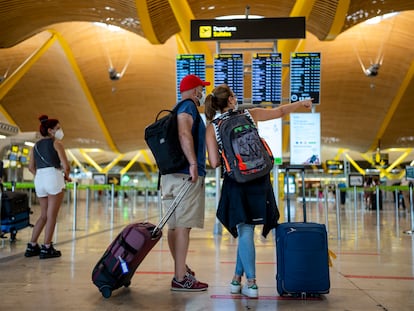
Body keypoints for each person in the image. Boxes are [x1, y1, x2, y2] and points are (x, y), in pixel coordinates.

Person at [204, 84, 312, 298]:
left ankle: (251, 283)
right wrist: (300, 103)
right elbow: (279, 111)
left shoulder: (212, 127)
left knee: (244, 231)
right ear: (232, 100)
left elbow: (215, 162)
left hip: (237, 181)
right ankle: (236, 279)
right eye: (234, 95)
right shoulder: (249, 115)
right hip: (259, 178)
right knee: (247, 231)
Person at [161, 74, 210, 291]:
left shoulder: (174, 109)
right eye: (201, 88)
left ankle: (180, 270)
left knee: (173, 227)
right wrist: (193, 164)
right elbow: (184, 132)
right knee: (183, 226)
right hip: (184, 175)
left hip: (169, 176)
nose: (202, 93)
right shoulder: (188, 107)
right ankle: (180, 278)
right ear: (192, 90)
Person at [25, 115, 71, 259]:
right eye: (58, 128)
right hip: (53, 176)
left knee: (43, 215)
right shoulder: (57, 144)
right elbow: (66, 165)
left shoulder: (35, 146)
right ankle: (46, 247)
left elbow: (30, 167)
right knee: (52, 216)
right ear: (50, 130)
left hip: (39, 179)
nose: (60, 131)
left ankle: (32, 245)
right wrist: (65, 176)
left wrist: (41, 175)